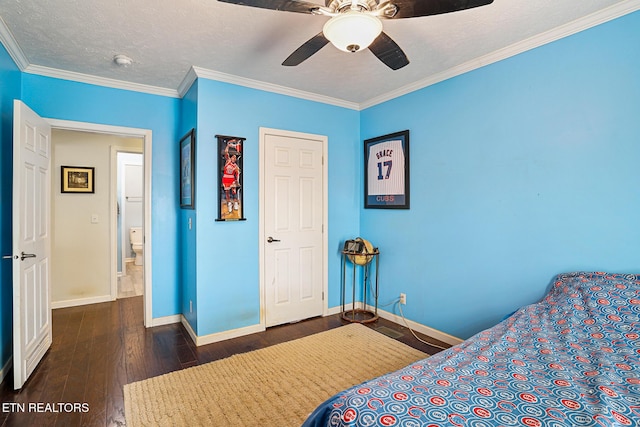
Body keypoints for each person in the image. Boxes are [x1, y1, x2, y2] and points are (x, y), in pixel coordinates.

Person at [221, 139, 241, 214]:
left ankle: (235, 202)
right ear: (231, 157)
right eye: (233, 157)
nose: (234, 158)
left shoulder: (235, 166)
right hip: (226, 179)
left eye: (235, 158)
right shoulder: (228, 161)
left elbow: (238, 173)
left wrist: (237, 181)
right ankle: (229, 203)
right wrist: (228, 146)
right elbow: (226, 152)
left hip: (232, 179)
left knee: (234, 191)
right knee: (227, 192)